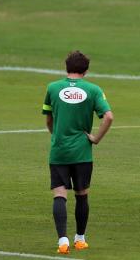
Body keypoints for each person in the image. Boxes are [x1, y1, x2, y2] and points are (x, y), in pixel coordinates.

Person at [42, 50, 113, 253]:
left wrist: (55, 135)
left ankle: (62, 241)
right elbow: (108, 117)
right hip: (82, 152)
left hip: (59, 151)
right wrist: (96, 139)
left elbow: (48, 118)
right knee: (82, 195)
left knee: (59, 195)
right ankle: (80, 239)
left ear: (66, 68)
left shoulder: (53, 88)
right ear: (86, 70)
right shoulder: (93, 90)